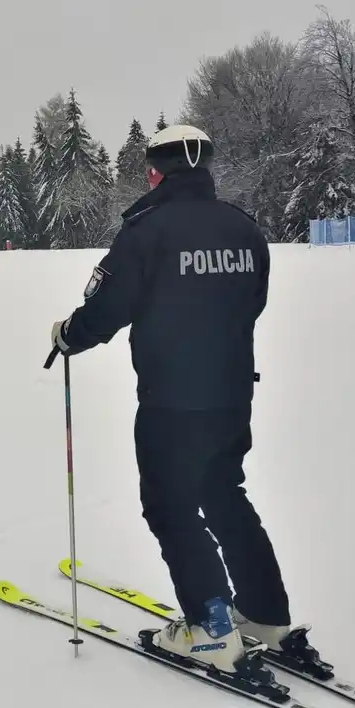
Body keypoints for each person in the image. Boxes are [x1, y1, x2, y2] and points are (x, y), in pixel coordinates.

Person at [48, 124, 294, 675]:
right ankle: (265, 614)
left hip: (171, 399)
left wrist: (70, 334)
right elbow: (252, 303)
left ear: (155, 172)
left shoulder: (147, 229)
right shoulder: (244, 229)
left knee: (171, 504)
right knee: (224, 492)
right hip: (232, 394)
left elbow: (109, 307)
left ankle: (210, 629)